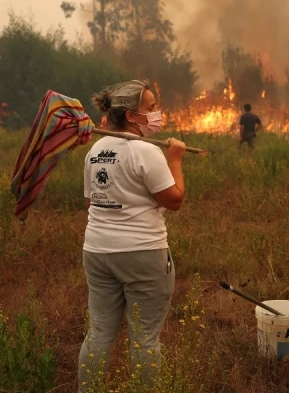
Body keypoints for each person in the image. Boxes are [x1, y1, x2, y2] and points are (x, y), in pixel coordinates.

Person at [78, 80, 187, 391]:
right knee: (145, 338)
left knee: (99, 333)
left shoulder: (96, 150)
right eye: (151, 109)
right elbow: (174, 200)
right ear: (130, 116)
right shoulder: (147, 152)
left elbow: (91, 201)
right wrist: (176, 160)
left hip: (97, 251)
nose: (156, 113)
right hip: (142, 253)